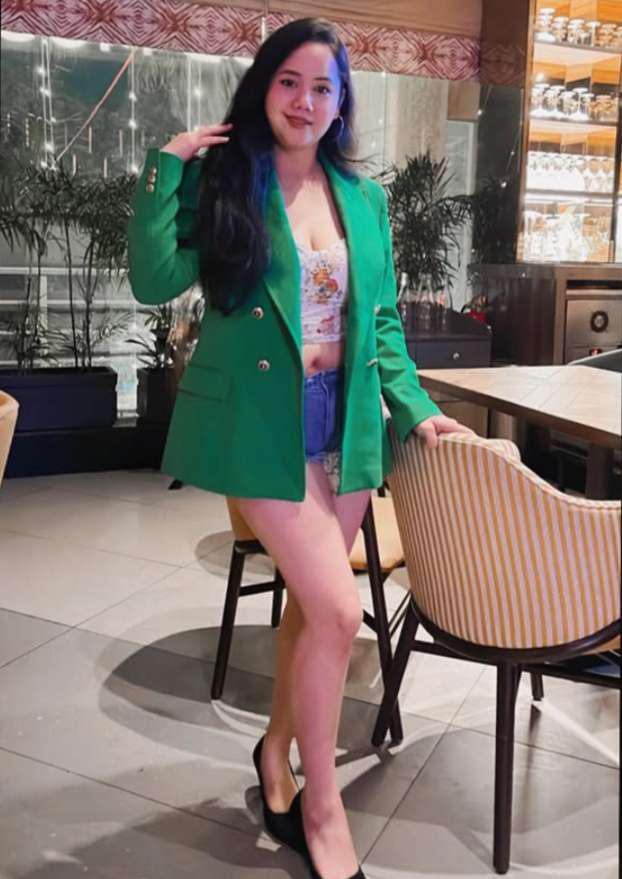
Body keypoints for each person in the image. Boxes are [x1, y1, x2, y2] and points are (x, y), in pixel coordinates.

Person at [127, 17, 473, 879]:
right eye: (289, 81)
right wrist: (165, 165)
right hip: (260, 421)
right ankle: (321, 808)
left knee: (311, 613)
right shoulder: (226, 180)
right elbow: (153, 279)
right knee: (341, 610)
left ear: (340, 102)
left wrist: (416, 408)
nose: (305, 101)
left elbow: (381, 324)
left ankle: (274, 756)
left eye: (323, 87)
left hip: (345, 421)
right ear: (264, 87)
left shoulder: (365, 198)